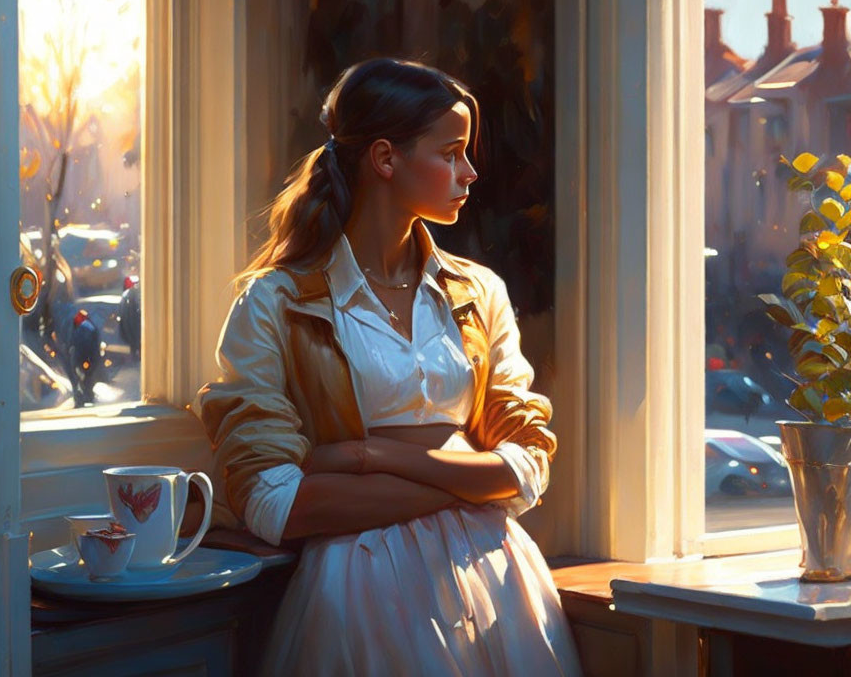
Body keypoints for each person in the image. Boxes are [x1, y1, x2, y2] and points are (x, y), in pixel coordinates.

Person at [191, 57, 583, 677]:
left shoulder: (477, 294)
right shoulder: (276, 303)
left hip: (497, 585)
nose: (470, 171)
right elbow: (276, 504)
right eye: (451, 152)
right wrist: (463, 477)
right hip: (358, 587)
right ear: (385, 159)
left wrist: (369, 456)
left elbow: (527, 467)